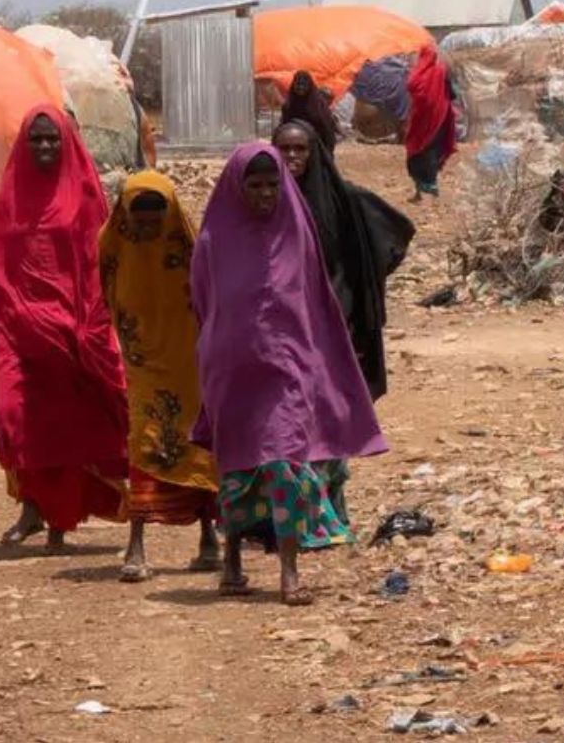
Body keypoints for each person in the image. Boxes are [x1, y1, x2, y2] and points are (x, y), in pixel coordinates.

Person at [190, 143, 388, 605]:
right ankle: (233, 561)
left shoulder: (296, 233)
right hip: (233, 369)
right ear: (238, 189)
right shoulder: (213, 240)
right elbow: (201, 301)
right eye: (254, 186)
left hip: (288, 366)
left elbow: (314, 300)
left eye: (271, 186)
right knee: (238, 467)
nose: (264, 195)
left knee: (286, 462)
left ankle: (289, 571)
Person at [0, 106, 129, 551]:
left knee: (64, 424)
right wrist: (12, 310)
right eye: (37, 140)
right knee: (13, 417)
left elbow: (98, 262)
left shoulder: (83, 194)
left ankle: (55, 519)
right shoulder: (12, 193)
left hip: (70, 329)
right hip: (19, 332)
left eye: (52, 140)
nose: (44, 147)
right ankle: (31, 505)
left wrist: (89, 322)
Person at [98, 171, 222, 581]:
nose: (149, 224)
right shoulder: (111, 246)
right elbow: (103, 294)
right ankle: (137, 545)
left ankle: (209, 537)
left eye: (157, 215)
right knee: (145, 441)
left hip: (189, 362)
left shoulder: (193, 249)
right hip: (142, 362)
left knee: (197, 443)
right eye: (141, 216)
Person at [271, 120, 415, 400]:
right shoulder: (265, 195)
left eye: (300, 149)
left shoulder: (342, 197)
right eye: (284, 149)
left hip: (333, 305)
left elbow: (396, 231)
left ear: (314, 152)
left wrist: (365, 276)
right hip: (285, 307)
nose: (292, 156)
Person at [403, 46, 457, 201]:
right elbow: (452, 94)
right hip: (438, 118)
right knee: (432, 151)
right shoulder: (441, 71)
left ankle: (420, 192)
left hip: (420, 121)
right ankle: (431, 187)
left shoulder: (417, 72)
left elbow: (411, 85)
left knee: (415, 150)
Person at [278, 70, 339, 151]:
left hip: (316, 146)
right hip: (292, 144)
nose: (300, 87)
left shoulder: (318, 105)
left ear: (309, 86)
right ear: (293, 85)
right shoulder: (289, 104)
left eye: (303, 85)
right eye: (298, 84)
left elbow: (326, 128)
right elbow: (284, 123)